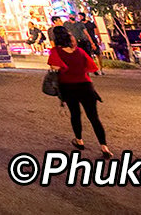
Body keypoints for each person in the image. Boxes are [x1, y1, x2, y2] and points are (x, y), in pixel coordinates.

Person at [47, 27, 110, 157]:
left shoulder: (55, 52)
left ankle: (79, 140)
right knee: (94, 117)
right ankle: (104, 146)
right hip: (86, 86)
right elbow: (92, 67)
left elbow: (55, 67)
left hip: (69, 87)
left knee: (75, 114)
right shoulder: (80, 51)